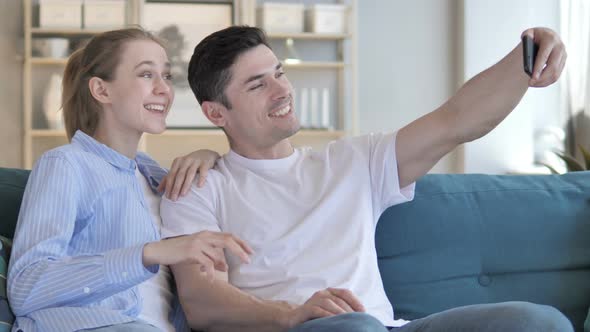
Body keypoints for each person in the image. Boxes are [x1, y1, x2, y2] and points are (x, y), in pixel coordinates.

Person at [160, 26, 571, 332]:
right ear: (217, 113)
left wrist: (527, 57)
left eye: (279, 72)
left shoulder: (353, 161)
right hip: (302, 329)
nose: (281, 90)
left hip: (387, 326)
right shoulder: (197, 188)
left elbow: (456, 120)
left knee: (539, 322)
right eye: (257, 84)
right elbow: (202, 301)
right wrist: (290, 314)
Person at [7, 28, 252, 332]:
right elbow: (27, 287)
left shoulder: (155, 178)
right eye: (147, 75)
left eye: (166, 76)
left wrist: (211, 156)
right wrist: (150, 252)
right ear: (101, 90)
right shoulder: (66, 164)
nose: (164, 89)